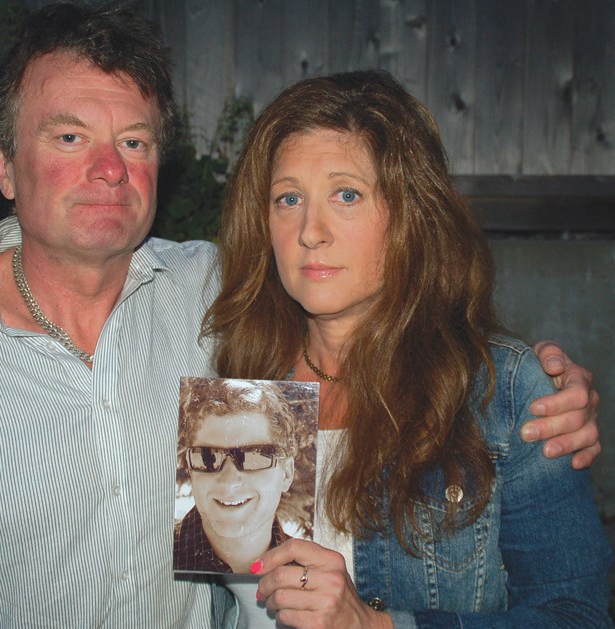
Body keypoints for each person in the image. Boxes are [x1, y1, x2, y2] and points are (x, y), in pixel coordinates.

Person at [0, 2, 603, 626]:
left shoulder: (219, 310)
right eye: (69, 136)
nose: (107, 169)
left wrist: (544, 385)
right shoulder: (237, 340)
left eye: (133, 140)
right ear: (2, 164)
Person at [204, 70, 613, 627]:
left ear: (409, 218)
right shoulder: (234, 383)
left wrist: (376, 625)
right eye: (288, 198)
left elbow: (576, 615)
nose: (310, 230)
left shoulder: (502, 393)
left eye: (347, 195)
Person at [174, 378, 315, 574]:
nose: (230, 481)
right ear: (190, 468)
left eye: (254, 456)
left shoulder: (311, 571)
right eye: (208, 457)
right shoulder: (151, 557)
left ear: (287, 473)